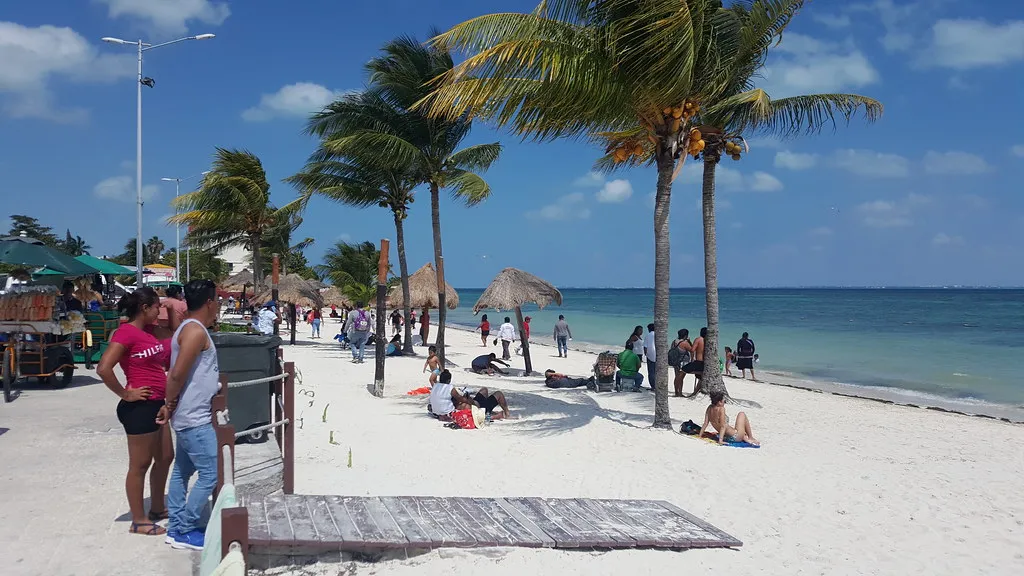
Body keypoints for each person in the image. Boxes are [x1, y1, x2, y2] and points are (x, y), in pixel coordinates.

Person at [96, 287, 174, 536]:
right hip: (138, 406)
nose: (158, 311)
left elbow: (173, 333)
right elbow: (104, 368)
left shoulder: (148, 332)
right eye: (156, 307)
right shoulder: (126, 333)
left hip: (157, 403)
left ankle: (158, 508)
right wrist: (125, 393)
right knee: (140, 465)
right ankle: (138, 520)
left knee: (165, 457)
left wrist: (171, 308)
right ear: (145, 308)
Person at [158, 279, 222, 550]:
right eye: (217, 300)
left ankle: (175, 526)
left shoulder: (189, 328)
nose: (219, 304)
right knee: (210, 474)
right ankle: (184, 528)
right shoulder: (195, 332)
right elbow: (177, 374)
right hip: (194, 418)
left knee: (181, 472)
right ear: (209, 302)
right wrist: (168, 404)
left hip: (187, 415)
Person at [429, 369, 511, 420]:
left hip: (474, 403)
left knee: (484, 389)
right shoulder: (450, 389)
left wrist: (436, 370)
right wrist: (470, 400)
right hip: (478, 407)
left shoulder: (436, 386)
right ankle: (507, 414)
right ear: (448, 380)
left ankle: (490, 410)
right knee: (499, 394)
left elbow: (431, 379)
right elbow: (461, 399)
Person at [680, 327, 707, 393]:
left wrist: (689, 342)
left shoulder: (698, 339)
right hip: (704, 363)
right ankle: (695, 392)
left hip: (698, 362)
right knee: (701, 378)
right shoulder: (708, 341)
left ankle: (678, 391)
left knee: (682, 370)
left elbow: (692, 350)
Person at [670, 329, 694, 397]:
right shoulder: (684, 343)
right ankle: (679, 393)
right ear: (686, 335)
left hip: (675, 361)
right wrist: (690, 342)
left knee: (677, 377)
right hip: (683, 362)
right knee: (680, 378)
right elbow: (692, 350)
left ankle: (676, 392)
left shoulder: (674, 341)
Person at [643, 323, 656, 391]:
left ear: (649, 329)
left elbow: (645, 347)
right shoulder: (659, 335)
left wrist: (646, 354)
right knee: (657, 372)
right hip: (658, 355)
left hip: (650, 355)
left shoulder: (647, 335)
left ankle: (653, 386)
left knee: (651, 372)